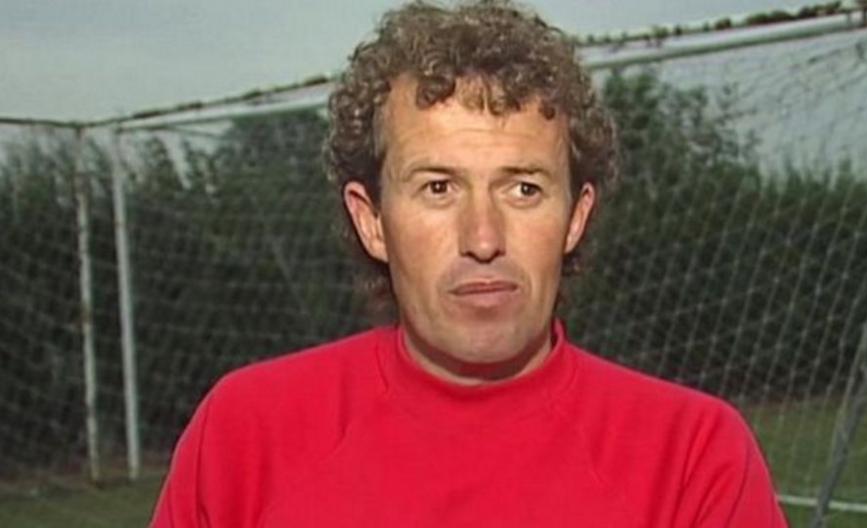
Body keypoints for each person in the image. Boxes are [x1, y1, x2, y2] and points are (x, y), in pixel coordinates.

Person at [151, 1, 788, 526]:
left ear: (575, 217)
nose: (483, 238)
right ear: (372, 221)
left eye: (523, 189)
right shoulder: (245, 434)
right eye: (438, 188)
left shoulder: (695, 458)